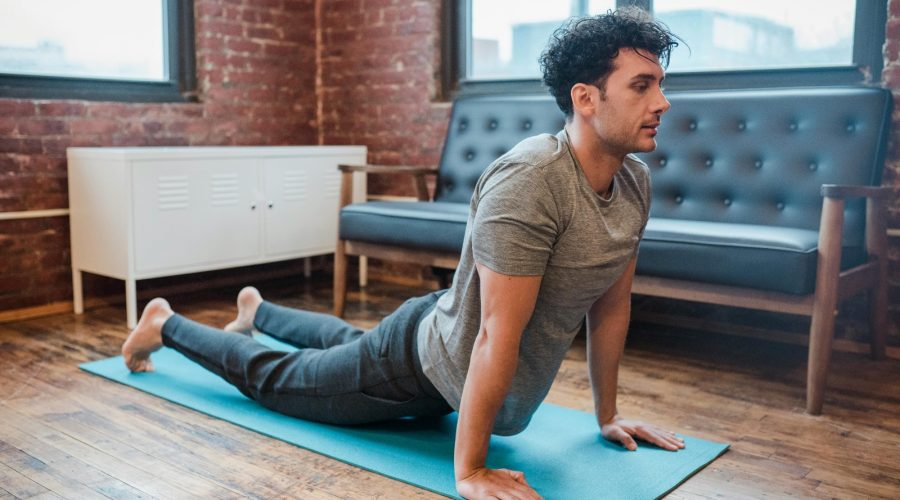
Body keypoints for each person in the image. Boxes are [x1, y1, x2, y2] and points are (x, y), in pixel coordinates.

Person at [122, 8, 684, 499]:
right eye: (642, 85)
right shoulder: (532, 179)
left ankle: (258, 313)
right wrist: (470, 469)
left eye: (659, 83)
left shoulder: (633, 183)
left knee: (346, 347)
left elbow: (610, 307)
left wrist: (607, 416)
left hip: (441, 332)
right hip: (416, 366)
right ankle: (165, 322)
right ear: (586, 98)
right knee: (284, 380)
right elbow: (492, 332)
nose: (662, 101)